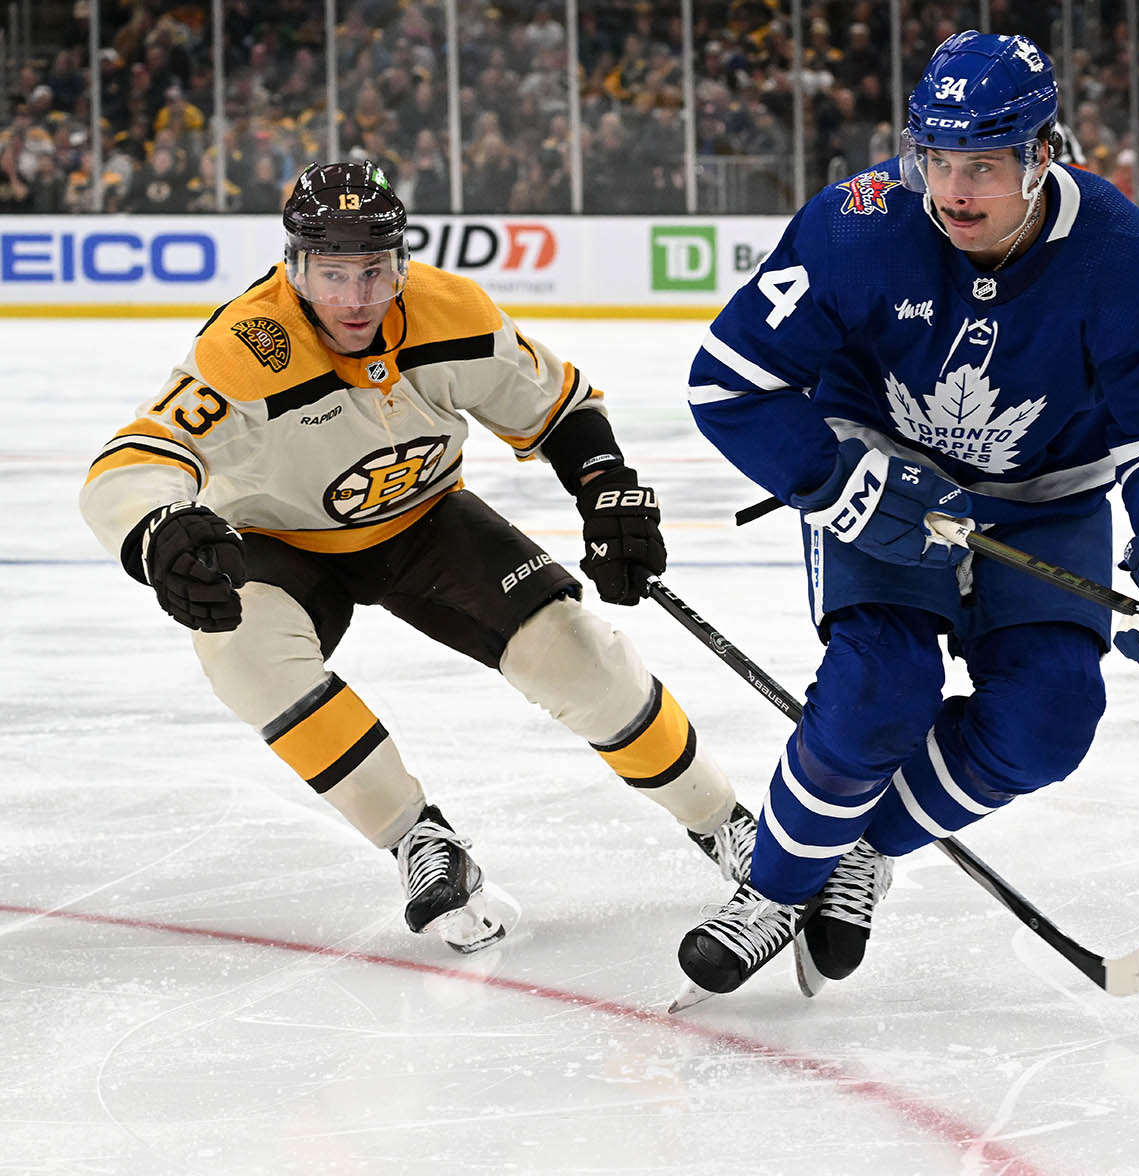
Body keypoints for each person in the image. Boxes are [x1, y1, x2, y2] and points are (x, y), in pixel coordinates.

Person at [674, 31, 1139, 1002]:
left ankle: (862, 850)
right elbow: (730, 384)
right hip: (885, 472)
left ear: (1041, 156)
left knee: (1049, 721)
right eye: (937, 160)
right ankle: (772, 887)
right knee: (875, 693)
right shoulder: (857, 225)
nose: (953, 189)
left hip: (1043, 497)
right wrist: (842, 482)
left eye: (982, 164)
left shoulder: (1123, 258)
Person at [80, 161, 755, 955]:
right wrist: (158, 526)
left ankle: (727, 825)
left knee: (578, 655)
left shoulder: (449, 312)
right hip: (279, 541)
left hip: (426, 519)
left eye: (375, 270)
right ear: (294, 268)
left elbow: (559, 405)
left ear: (401, 261)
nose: (358, 299)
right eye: (333, 274)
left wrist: (607, 487)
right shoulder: (245, 350)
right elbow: (129, 462)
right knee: (244, 654)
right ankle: (417, 840)